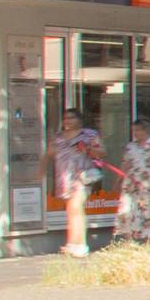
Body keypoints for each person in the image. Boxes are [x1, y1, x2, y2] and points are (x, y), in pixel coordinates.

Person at [51, 110, 105, 258]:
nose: (68, 121)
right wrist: (42, 169)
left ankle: (80, 244)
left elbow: (101, 152)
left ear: (79, 120)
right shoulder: (59, 137)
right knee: (71, 210)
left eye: (71, 117)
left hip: (82, 176)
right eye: (65, 118)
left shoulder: (89, 135)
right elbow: (50, 153)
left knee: (76, 207)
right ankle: (72, 243)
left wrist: (88, 148)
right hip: (64, 177)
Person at [118, 120, 150, 242]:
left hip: (149, 183)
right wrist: (118, 181)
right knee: (128, 210)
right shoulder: (130, 147)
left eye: (138, 130)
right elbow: (125, 164)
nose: (135, 133)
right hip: (132, 184)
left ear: (145, 130)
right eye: (134, 130)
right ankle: (129, 240)